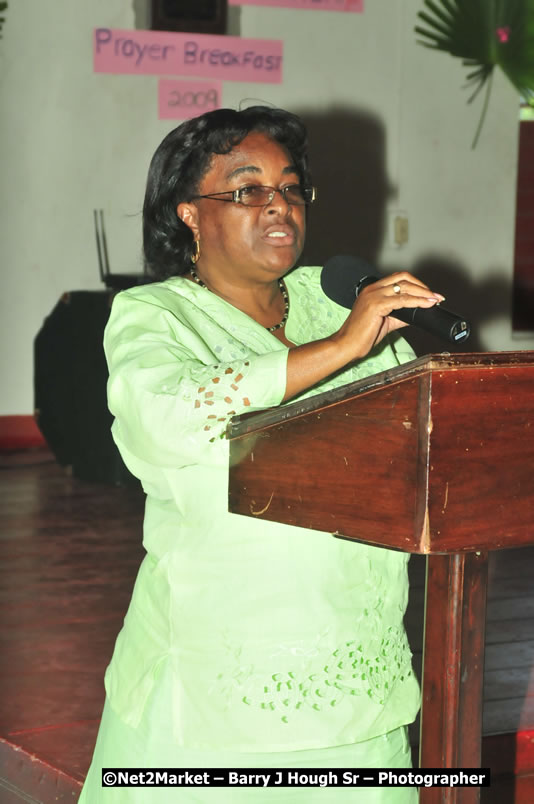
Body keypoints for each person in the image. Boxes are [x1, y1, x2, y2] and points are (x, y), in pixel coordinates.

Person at [79, 106, 444, 803]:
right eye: (248, 190)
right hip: (214, 690)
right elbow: (168, 417)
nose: (279, 204)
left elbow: (414, 433)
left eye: (292, 186)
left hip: (355, 672)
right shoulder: (156, 314)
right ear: (189, 212)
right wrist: (341, 349)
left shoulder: (340, 301)